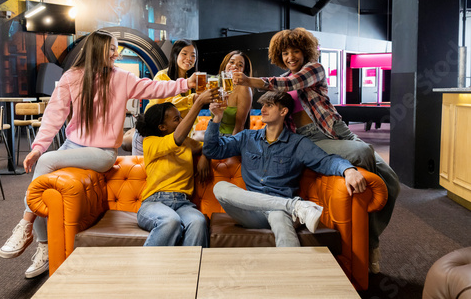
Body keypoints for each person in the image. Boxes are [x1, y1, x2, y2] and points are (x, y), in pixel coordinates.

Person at [0, 29, 198, 278]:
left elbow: (153, 88)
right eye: (112, 49)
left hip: (102, 153)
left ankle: (25, 224)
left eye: (117, 49)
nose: (117, 53)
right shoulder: (72, 77)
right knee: (42, 184)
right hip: (72, 147)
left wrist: (185, 83)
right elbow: (53, 116)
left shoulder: (121, 78)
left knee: (47, 160)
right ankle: (44, 245)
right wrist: (38, 146)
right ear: (97, 50)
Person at [233, 27, 400, 273]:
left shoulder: (314, 69)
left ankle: (372, 238)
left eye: (296, 51)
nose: (291, 57)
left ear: (305, 51)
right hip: (310, 139)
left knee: (392, 182)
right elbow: (266, 102)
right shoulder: (281, 78)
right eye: (286, 53)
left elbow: (289, 82)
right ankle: (368, 244)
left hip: (337, 131)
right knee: (364, 153)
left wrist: (249, 79)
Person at [202, 91, 367, 247]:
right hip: (250, 211)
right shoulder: (247, 137)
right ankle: (294, 206)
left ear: (283, 111)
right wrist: (217, 118)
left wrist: (349, 170)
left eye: (269, 105)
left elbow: (326, 161)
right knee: (220, 188)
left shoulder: (297, 143)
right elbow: (212, 150)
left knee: (279, 215)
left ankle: (292, 274)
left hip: (278, 210)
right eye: (263, 105)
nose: (263, 109)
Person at [135, 87, 218, 247]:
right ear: (162, 127)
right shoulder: (151, 143)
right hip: (154, 203)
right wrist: (198, 102)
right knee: (170, 220)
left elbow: (207, 145)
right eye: (176, 119)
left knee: (198, 221)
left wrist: (205, 157)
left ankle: (189, 271)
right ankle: (143, 270)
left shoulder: (187, 143)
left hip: (183, 203)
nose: (181, 122)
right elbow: (177, 138)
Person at [132, 39, 199, 155]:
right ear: (175, 54)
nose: (189, 58)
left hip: (175, 137)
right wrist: (193, 99)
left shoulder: (195, 81)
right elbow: (165, 107)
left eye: (193, 55)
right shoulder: (162, 76)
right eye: (184, 54)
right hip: (154, 134)